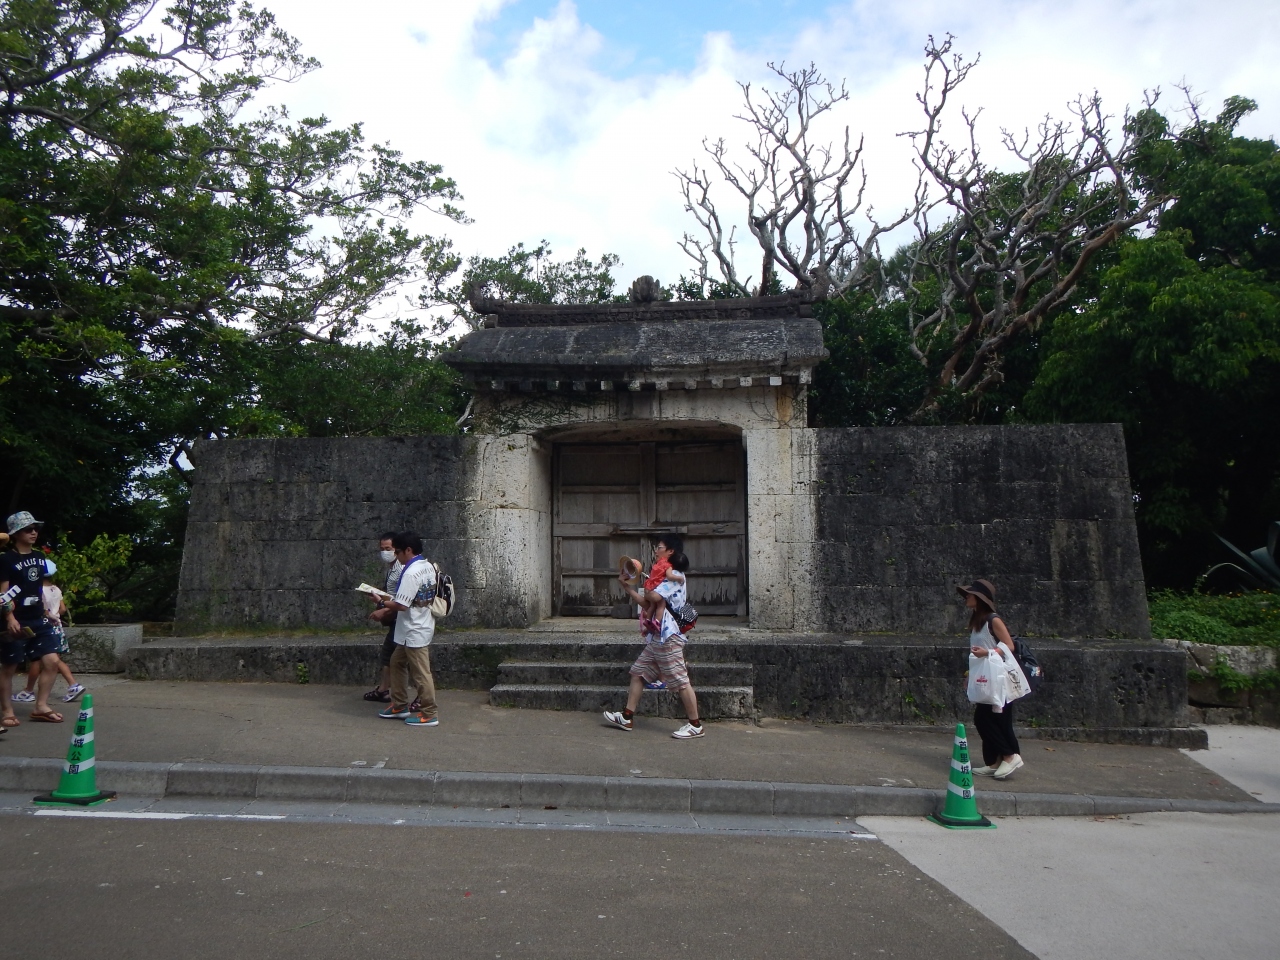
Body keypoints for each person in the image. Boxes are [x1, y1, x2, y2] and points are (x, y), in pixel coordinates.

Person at [604, 535, 704, 739]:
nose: (656, 551)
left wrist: (649, 585)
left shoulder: (674, 574)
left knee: (681, 681)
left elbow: (655, 596)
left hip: (668, 638)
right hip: (657, 638)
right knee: (638, 673)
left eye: (659, 547)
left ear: (670, 551)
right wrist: (627, 587)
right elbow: (646, 602)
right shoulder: (661, 574)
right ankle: (627, 717)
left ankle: (696, 725)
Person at [1, 512, 66, 725]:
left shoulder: (39, 556)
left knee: (52, 661)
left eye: (35, 528)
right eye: (28, 529)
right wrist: (9, 617)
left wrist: (47, 612)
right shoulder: (6, 559)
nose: (34, 532)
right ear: (16, 533)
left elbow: (37, 588)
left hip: (38, 617)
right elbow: (3, 593)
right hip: (15, 619)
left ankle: (41, 706)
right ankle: (7, 712)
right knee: (10, 666)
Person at [958, 578, 1023, 780]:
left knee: (991, 719)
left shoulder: (993, 620)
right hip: (986, 678)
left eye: (970, 594)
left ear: (979, 598)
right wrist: (969, 674)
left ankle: (1010, 756)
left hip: (998, 678)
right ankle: (995, 761)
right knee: (988, 718)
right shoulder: (977, 622)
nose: (966, 597)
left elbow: (1009, 646)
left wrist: (988, 653)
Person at [378, 531, 440, 727]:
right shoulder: (427, 566)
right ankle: (399, 704)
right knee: (396, 662)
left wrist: (381, 602)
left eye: (397, 552)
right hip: (415, 626)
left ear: (408, 550)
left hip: (414, 629)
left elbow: (401, 604)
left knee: (421, 673)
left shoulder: (411, 572)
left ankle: (429, 712)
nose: (396, 556)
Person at [13, 559, 84, 704]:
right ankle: (71, 685)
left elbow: (41, 609)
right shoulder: (56, 589)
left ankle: (30, 690)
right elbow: (62, 609)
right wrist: (55, 613)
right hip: (57, 626)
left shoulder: (38, 590)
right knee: (52, 659)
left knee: (37, 660)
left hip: (43, 626)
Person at [362, 532, 401, 704]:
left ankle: (402, 698)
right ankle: (384, 690)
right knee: (388, 656)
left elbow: (401, 600)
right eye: (382, 549)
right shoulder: (392, 569)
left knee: (401, 659)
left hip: (398, 616)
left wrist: (383, 608)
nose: (385, 552)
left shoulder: (401, 569)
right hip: (394, 615)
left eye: (388, 549)